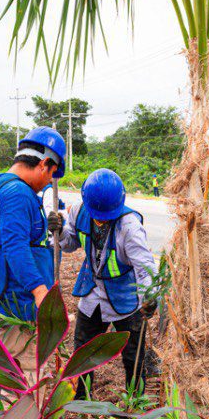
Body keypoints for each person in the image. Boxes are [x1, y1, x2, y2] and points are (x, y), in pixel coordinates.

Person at [58, 168, 157, 399]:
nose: (101, 218)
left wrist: (151, 297)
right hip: (92, 294)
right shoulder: (79, 211)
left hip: (126, 299)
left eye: (106, 214)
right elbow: (70, 243)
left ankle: (135, 404)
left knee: (134, 357)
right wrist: (59, 232)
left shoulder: (129, 227)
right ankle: (81, 402)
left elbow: (145, 267)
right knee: (82, 353)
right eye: (97, 213)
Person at [0, 128, 65, 323]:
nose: (49, 181)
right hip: (17, 306)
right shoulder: (18, 194)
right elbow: (16, 247)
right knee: (22, 354)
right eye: (51, 174)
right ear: (43, 163)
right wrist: (39, 291)